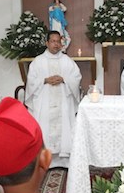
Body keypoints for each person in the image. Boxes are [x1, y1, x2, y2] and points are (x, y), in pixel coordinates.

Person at [25, 30, 82, 168]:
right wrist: (44, 80)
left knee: (65, 126)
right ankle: (45, 160)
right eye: (53, 41)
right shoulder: (38, 61)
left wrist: (64, 79)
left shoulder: (67, 61)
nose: (56, 44)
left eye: (58, 41)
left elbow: (76, 77)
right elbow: (31, 80)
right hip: (44, 101)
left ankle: (64, 161)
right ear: (47, 43)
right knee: (44, 126)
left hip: (63, 102)